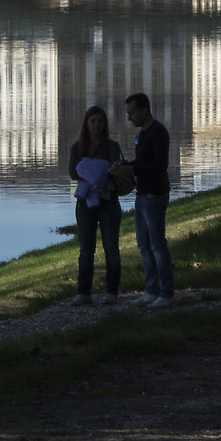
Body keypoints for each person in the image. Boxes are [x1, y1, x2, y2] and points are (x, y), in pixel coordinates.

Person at [68, 106, 124, 303]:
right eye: (93, 121)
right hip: (85, 201)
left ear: (105, 124)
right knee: (86, 250)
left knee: (111, 247)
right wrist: (99, 172)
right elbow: (73, 173)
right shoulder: (77, 147)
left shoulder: (112, 146)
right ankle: (84, 293)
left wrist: (89, 170)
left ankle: (112, 292)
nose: (97, 125)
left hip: (109, 200)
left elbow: (115, 170)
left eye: (100, 121)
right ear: (87, 124)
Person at [125, 92, 174, 305]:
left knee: (157, 245)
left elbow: (159, 165)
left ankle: (166, 292)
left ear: (144, 110)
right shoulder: (142, 134)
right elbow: (142, 161)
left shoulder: (158, 132)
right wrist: (126, 166)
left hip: (155, 194)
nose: (129, 117)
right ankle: (151, 289)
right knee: (143, 244)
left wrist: (133, 169)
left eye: (132, 112)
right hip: (142, 194)